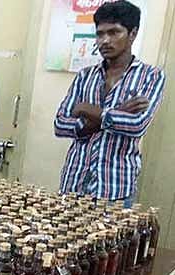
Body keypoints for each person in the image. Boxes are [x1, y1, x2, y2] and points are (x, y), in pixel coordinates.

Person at [54, 1, 165, 206]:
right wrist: (119, 112)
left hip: (115, 188)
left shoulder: (151, 76)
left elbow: (136, 125)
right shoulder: (85, 76)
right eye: (100, 34)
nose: (105, 41)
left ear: (132, 34)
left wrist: (87, 110)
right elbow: (60, 125)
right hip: (73, 183)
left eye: (114, 32)